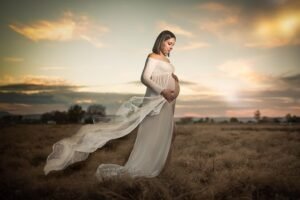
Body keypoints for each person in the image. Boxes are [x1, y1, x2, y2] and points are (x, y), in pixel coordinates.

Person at [43, 30, 180, 181]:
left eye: (173, 45)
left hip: (168, 103)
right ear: (160, 41)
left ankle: (161, 168)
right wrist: (162, 91)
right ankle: (147, 167)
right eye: (169, 43)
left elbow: (169, 77)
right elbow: (145, 78)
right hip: (157, 100)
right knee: (153, 136)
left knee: (168, 134)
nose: (171, 47)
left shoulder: (167, 61)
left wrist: (174, 82)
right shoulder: (152, 56)